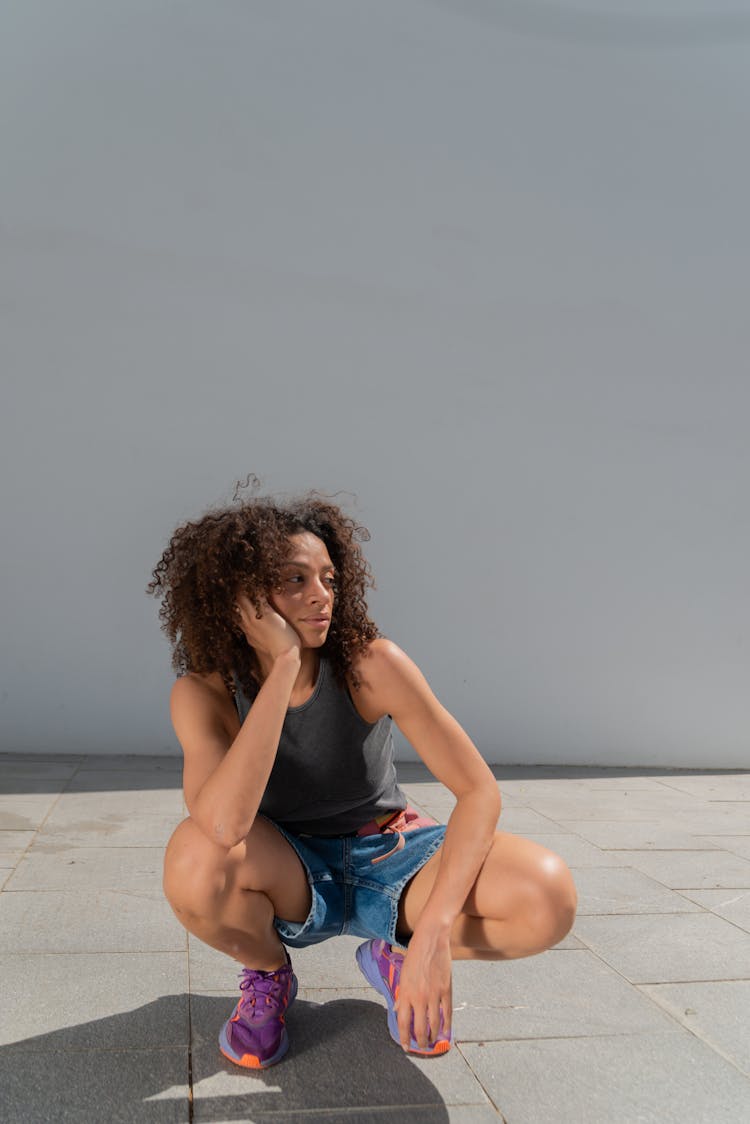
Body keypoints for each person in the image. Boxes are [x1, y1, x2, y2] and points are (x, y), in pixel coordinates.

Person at [147, 488, 577, 1070]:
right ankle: (271, 975)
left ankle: (394, 951)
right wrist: (281, 672)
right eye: (295, 580)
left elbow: (479, 791)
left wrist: (433, 936)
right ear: (243, 599)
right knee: (195, 859)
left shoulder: (372, 665)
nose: (322, 596)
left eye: (327, 577)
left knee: (547, 897)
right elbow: (224, 826)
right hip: (289, 872)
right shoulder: (203, 693)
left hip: (391, 855)